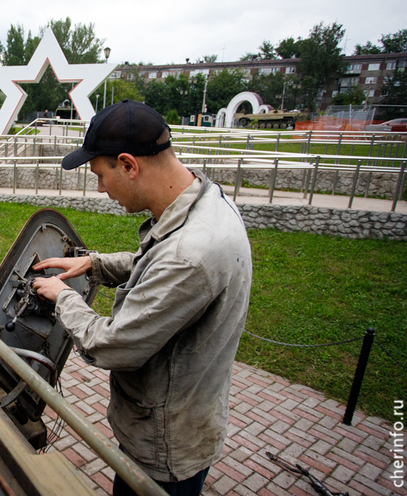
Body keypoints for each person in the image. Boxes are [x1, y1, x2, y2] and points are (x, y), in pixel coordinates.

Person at [31, 100, 252, 496]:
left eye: (101, 175)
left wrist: (62, 296)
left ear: (130, 165)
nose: (100, 189)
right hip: (185, 419)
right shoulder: (204, 202)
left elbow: (112, 346)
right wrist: (94, 265)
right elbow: (155, 263)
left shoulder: (191, 254)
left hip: (165, 448)